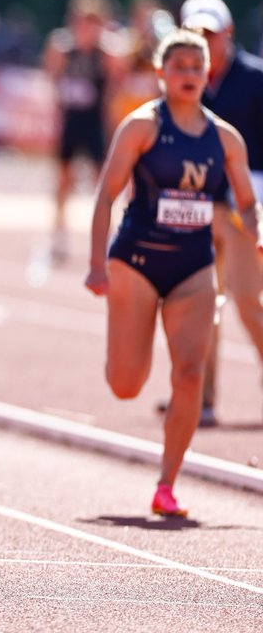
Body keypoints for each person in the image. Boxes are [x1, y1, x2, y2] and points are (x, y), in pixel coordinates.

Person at [85, 28, 259, 517]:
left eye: (197, 67)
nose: (189, 75)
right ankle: (125, 349)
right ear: (161, 72)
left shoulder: (225, 138)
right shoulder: (141, 127)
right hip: (137, 260)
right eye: (179, 67)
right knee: (126, 383)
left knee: (190, 372)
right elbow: (106, 195)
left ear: (208, 73)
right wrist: (97, 264)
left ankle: (167, 484)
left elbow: (247, 202)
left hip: (192, 265)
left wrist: (257, 230)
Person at [177, 0, 263, 427]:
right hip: (196, 208)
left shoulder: (255, 79)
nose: (203, 42)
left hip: (241, 209)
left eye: (209, 34)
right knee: (199, 303)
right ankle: (200, 397)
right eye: (194, 34)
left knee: (247, 299)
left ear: (228, 33)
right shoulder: (180, 82)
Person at [43, 0, 127, 262]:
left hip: (94, 121)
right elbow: (51, 73)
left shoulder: (107, 51)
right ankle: (59, 231)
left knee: (100, 180)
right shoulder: (63, 47)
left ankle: (107, 234)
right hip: (71, 118)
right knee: (63, 177)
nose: (84, 28)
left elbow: (118, 78)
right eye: (80, 21)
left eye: (90, 22)